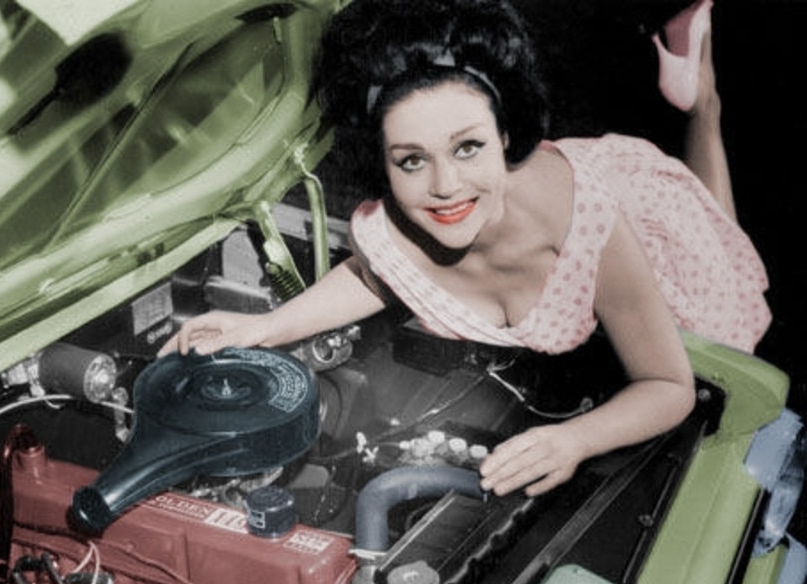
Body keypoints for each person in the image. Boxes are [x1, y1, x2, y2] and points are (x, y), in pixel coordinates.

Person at [160, 0, 770, 498]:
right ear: (382, 161)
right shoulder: (396, 223)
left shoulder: (587, 226)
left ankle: (703, 101)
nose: (446, 187)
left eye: (469, 147)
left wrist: (575, 440)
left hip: (642, 222)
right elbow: (376, 277)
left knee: (719, 254)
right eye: (411, 160)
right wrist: (264, 327)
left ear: (505, 136)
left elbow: (668, 383)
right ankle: (697, 94)